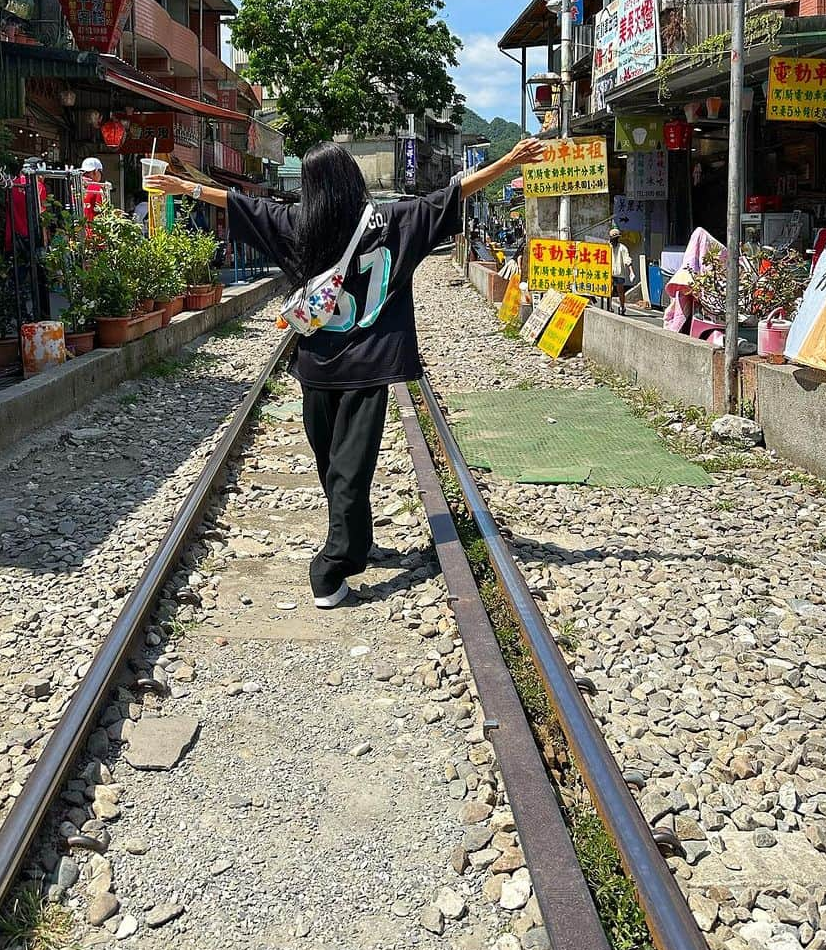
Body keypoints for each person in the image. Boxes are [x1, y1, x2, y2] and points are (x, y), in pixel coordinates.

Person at [147, 135, 543, 608]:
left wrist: (181, 188)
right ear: (351, 180)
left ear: (312, 187)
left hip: (319, 367)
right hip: (367, 365)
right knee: (343, 469)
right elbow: (454, 193)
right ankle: (355, 539)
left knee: (339, 468)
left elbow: (238, 203)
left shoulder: (296, 224)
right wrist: (508, 160)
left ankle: (331, 566)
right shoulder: (393, 221)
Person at [609, 227, 634, 316]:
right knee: (610, 290)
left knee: (620, 291)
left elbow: (627, 259)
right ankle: (609, 306)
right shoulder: (607, 247)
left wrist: (631, 271)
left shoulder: (622, 248)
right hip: (609, 272)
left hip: (619, 272)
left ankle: (622, 306)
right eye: (613, 238)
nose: (614, 240)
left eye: (616, 238)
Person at [81, 157, 109, 222]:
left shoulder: (74, 185)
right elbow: (103, 212)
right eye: (101, 172)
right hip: (92, 229)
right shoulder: (97, 189)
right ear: (96, 172)